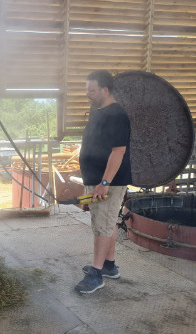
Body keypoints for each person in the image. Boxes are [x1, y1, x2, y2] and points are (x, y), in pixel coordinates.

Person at [75, 70, 132, 294]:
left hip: (108, 182)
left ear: (105, 90)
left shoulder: (116, 115)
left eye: (92, 90)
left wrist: (104, 183)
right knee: (106, 222)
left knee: (102, 225)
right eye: (86, 89)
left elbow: (118, 152)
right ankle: (109, 265)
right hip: (96, 180)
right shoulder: (99, 111)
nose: (87, 94)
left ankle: (96, 275)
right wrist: (88, 185)